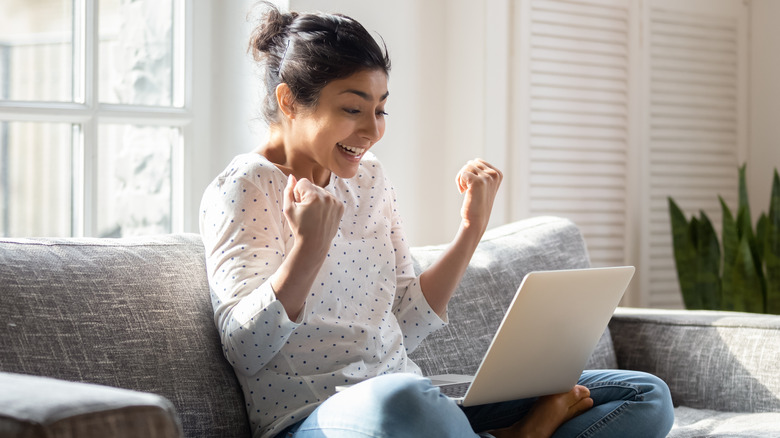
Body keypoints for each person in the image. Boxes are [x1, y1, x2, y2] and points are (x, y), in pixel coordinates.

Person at [199, 3, 675, 438]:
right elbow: (245, 348)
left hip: (416, 401)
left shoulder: (368, 180)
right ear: (288, 101)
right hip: (315, 418)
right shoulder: (245, 187)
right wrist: (307, 250)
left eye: (380, 108)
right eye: (352, 108)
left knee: (642, 395)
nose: (371, 131)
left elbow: (404, 321)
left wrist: (471, 230)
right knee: (403, 403)